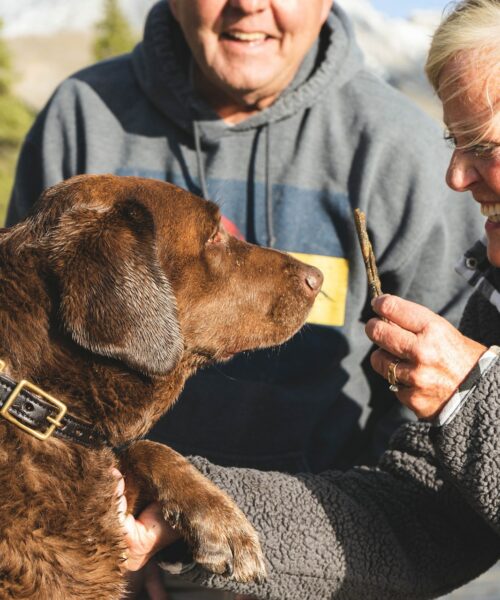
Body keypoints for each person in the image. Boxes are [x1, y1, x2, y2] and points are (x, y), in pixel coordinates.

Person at [6, 0, 482, 487]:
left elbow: (439, 428)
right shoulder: (83, 117)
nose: (250, 5)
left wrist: (342, 539)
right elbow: (21, 360)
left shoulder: (403, 151)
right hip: (105, 526)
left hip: (326, 534)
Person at [118, 0, 500, 598]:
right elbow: (428, 518)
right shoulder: (494, 297)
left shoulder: (389, 145)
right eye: (456, 140)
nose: (456, 177)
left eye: (484, 143)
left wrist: (471, 403)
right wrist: (183, 512)